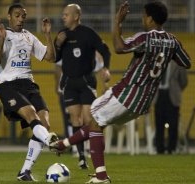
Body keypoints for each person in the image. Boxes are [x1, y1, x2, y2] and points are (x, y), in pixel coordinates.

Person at [50, 1, 191, 183]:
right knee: (97, 124)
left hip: (126, 93)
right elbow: (186, 62)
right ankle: (64, 144)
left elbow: (119, 47)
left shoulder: (145, 38)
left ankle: (101, 177)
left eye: (143, 16)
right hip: (143, 103)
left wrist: (118, 21)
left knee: (93, 117)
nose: (142, 19)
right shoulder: (173, 41)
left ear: (149, 18)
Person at [0, 3, 58, 181]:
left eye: (23, 16)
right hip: (9, 85)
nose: (21, 19)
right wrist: (3, 39)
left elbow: (50, 57)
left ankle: (25, 171)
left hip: (29, 84)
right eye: (17, 15)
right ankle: (51, 141)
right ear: (9, 17)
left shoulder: (29, 37)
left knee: (45, 122)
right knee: (31, 114)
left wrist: (48, 35)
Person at [54, 4, 111, 169]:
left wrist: (106, 67)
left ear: (76, 16)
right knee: (74, 119)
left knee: (88, 120)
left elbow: (105, 50)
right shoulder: (62, 35)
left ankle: (93, 152)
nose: (63, 17)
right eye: (63, 14)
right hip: (69, 83)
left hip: (86, 81)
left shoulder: (88, 33)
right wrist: (57, 44)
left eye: (66, 14)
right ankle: (81, 156)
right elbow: (55, 58)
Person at [154, 61, 188, 154]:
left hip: (172, 95)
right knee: (159, 123)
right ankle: (159, 148)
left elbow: (184, 81)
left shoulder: (179, 62)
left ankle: (171, 148)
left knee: (173, 123)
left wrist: (176, 90)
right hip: (158, 95)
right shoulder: (156, 60)